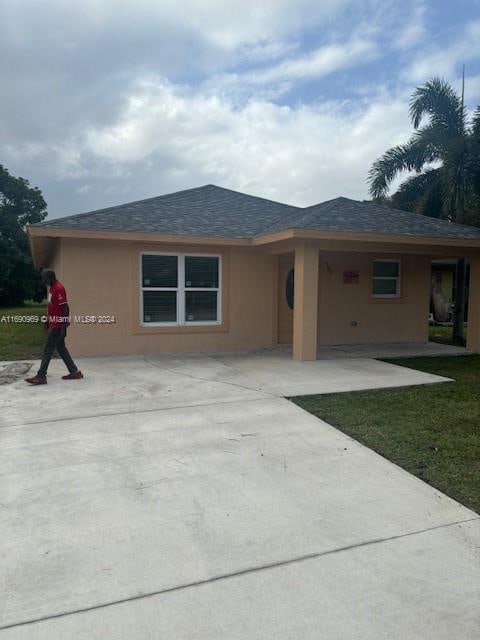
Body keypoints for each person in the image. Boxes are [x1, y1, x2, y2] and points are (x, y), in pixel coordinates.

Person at [25, 269, 83, 385]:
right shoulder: (51, 287)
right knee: (61, 348)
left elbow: (65, 308)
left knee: (48, 349)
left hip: (58, 325)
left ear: (51, 277)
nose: (43, 281)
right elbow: (52, 306)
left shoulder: (58, 288)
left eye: (45, 278)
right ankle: (74, 372)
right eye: (42, 278)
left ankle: (41, 376)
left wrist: (63, 327)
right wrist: (48, 319)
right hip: (54, 322)